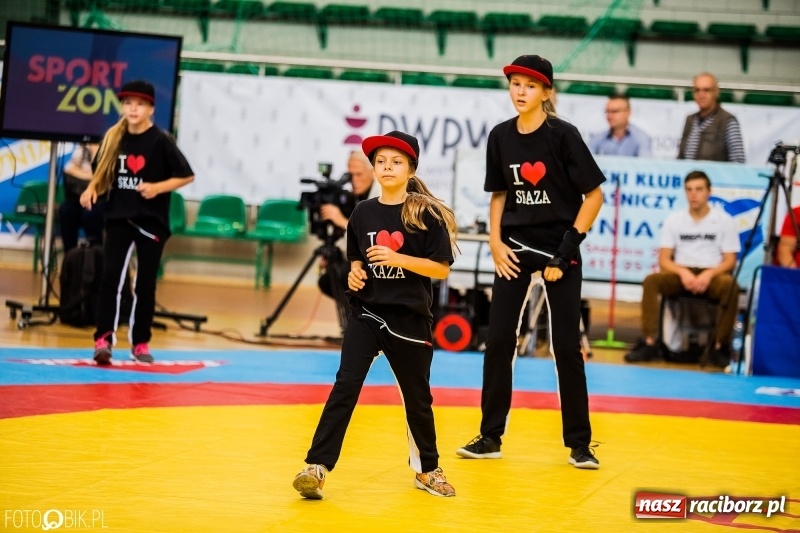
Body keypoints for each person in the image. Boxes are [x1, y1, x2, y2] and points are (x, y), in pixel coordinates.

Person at [455, 55, 605, 470]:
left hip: (560, 248)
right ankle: (490, 436)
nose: (520, 91)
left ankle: (579, 443)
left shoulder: (564, 135)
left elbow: (594, 197)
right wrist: (495, 242)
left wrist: (565, 251)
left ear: (547, 92)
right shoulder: (500, 136)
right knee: (499, 339)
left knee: (565, 346)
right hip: (515, 248)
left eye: (530, 85)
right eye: (515, 84)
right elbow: (499, 195)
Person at [293, 130, 459, 499]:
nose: (387, 167)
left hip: (409, 320)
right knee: (345, 386)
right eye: (381, 161)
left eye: (396, 161)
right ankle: (316, 467)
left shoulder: (425, 214)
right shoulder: (363, 212)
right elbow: (357, 257)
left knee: (418, 398)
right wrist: (355, 271)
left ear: (410, 167)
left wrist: (399, 258)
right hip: (367, 314)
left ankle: (427, 469)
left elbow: (441, 269)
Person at [80, 80, 195, 365]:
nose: (133, 108)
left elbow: (187, 175)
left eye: (140, 104)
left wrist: (158, 187)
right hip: (119, 218)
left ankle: (140, 343)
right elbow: (102, 173)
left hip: (151, 222)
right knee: (110, 278)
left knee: (145, 284)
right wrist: (91, 188)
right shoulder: (113, 137)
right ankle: (103, 339)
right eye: (128, 103)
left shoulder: (161, 140)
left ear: (151, 109)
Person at [624, 171, 740, 367]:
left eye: (698, 189)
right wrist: (683, 272)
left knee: (731, 286)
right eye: (689, 190)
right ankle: (650, 342)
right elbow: (664, 259)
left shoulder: (724, 220)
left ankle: (720, 346)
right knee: (651, 281)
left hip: (711, 273)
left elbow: (730, 260)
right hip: (681, 272)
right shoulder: (675, 219)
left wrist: (709, 274)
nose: (693, 194)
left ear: (709, 192)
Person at [317, 151, 376, 299]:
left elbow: (371, 236)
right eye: (350, 175)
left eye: (359, 175)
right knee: (328, 279)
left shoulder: (380, 195)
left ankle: (359, 317)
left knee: (343, 275)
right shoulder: (352, 197)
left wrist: (341, 220)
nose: (354, 180)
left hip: (377, 265)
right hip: (361, 260)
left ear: (373, 172)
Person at [678, 72, 745, 163]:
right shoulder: (690, 120)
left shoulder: (728, 121)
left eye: (706, 90)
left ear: (716, 92)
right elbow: (681, 157)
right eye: (697, 90)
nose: (701, 95)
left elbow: (738, 161)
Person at [59, 142, 105, 252]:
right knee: (66, 211)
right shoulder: (83, 145)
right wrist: (90, 176)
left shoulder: (107, 146)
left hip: (100, 197)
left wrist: (87, 176)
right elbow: (68, 169)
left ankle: (95, 256)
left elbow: (103, 175)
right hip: (77, 196)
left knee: (90, 214)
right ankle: (70, 257)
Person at [588, 95, 652, 157]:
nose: (609, 116)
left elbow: (645, 165)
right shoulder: (597, 138)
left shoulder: (641, 138)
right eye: (607, 111)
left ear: (628, 112)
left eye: (614, 111)